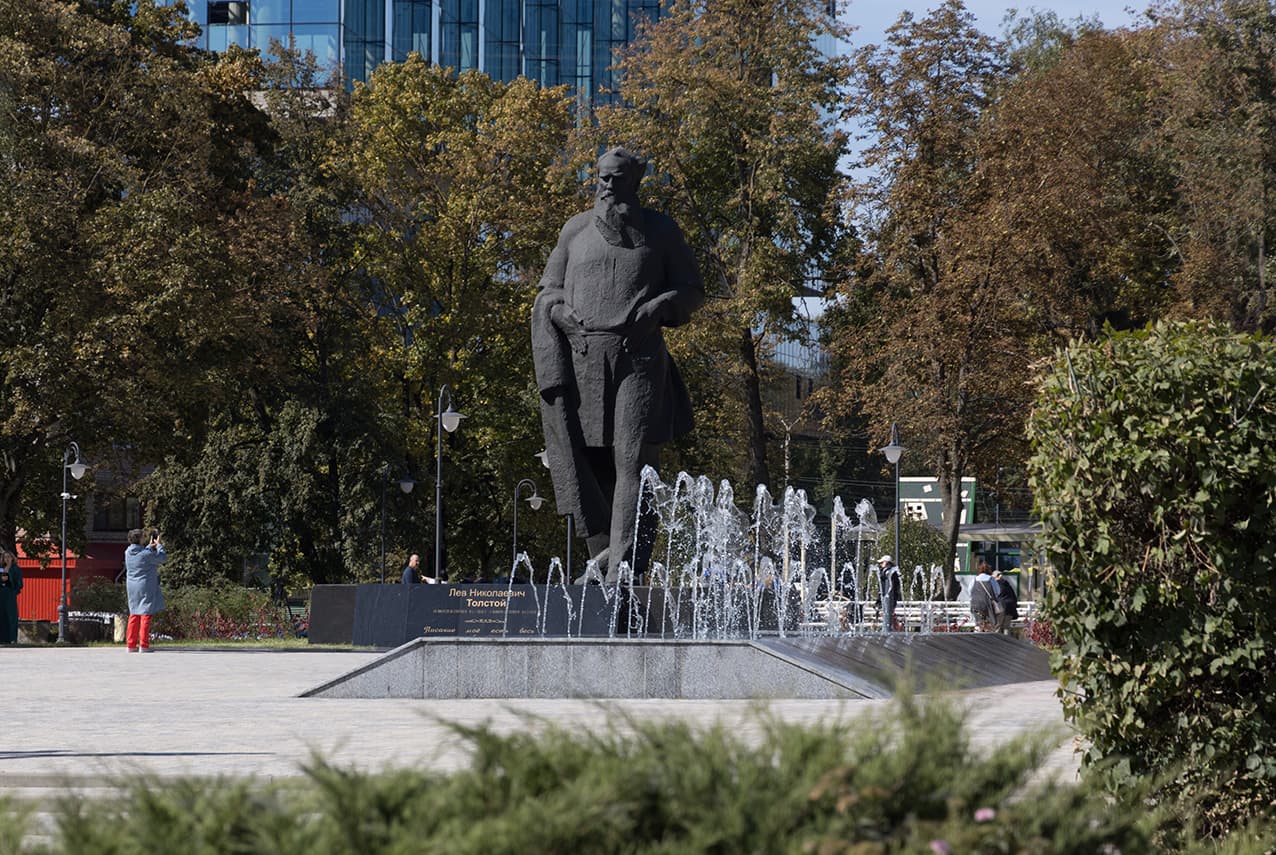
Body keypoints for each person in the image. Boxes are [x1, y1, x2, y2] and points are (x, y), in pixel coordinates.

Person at [532, 147, 704, 584]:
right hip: (584, 358)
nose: (608, 187)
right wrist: (557, 313)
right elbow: (547, 290)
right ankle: (607, 560)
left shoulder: (661, 231)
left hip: (639, 358)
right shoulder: (574, 231)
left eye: (618, 179)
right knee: (588, 463)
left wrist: (659, 307)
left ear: (635, 182)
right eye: (602, 179)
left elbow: (692, 290)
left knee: (631, 461)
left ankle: (619, 569)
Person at [124, 528, 166, 652]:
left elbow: (142, 554)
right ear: (140, 539)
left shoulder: (127, 552)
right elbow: (162, 558)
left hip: (131, 586)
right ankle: (144, 644)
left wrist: (148, 547)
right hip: (145, 585)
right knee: (145, 613)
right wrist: (159, 546)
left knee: (134, 613)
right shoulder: (146, 554)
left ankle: (131, 645)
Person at [0, 548, 22, 644]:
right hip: (1, 594)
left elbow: (20, 583)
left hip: (10, 594)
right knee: (2, 616)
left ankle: (12, 638)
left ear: (12, 558)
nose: (7, 559)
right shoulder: (0, 568)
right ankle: (2, 638)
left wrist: (14, 590)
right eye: (5, 557)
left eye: (9, 557)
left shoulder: (16, 569)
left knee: (11, 616)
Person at [970, 560, 1000, 632]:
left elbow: (970, 591)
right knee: (989, 623)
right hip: (988, 604)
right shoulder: (991, 579)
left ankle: (978, 632)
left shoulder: (974, 579)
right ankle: (987, 635)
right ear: (989, 570)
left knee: (978, 622)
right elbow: (997, 591)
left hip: (976, 604)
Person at [876, 555, 902, 631]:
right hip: (887, 597)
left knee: (889, 614)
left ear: (887, 563)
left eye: (881, 563)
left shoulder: (890, 572)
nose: (880, 565)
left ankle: (894, 629)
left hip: (890, 598)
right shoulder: (891, 571)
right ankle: (892, 628)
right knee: (887, 614)